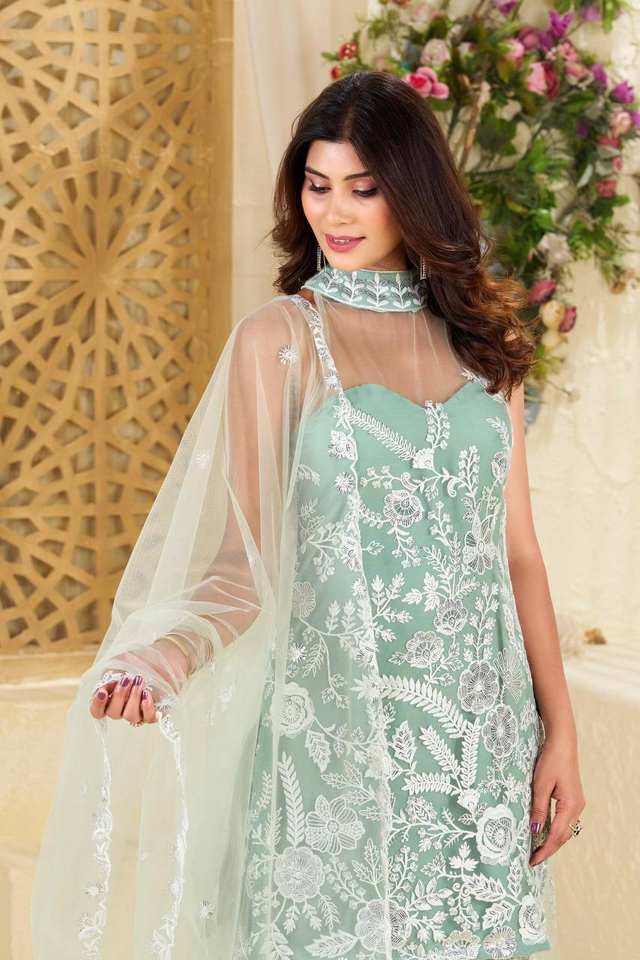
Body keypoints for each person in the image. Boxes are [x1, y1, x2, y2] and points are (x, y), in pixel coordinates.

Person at [32, 71, 585, 960]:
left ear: (412, 190)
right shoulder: (281, 339)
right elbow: (239, 563)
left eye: (363, 189)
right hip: (336, 743)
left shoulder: (488, 344)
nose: (335, 212)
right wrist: (164, 655)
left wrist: (560, 734)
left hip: (482, 739)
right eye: (317, 186)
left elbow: (517, 553)